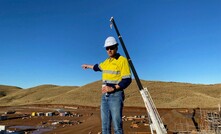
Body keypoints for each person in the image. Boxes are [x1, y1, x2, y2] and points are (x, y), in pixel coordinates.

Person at [82, 36, 132, 134]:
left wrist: (113, 88)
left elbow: (127, 80)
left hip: (116, 95)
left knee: (117, 127)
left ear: (116, 47)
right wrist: (87, 66)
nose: (109, 50)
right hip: (104, 97)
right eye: (107, 48)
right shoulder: (106, 62)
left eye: (111, 47)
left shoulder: (122, 60)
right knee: (105, 127)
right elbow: (97, 67)